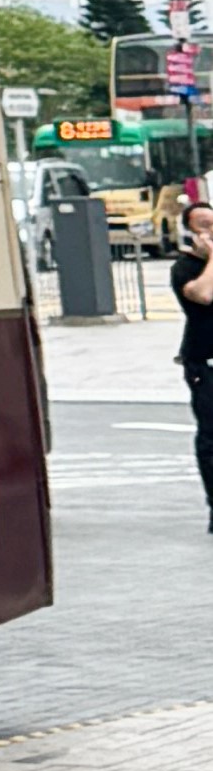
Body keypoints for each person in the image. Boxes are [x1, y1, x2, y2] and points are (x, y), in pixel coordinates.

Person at [177, 213, 213, 540]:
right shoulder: (184, 269)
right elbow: (204, 295)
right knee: (211, 436)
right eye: (204, 226)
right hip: (207, 365)